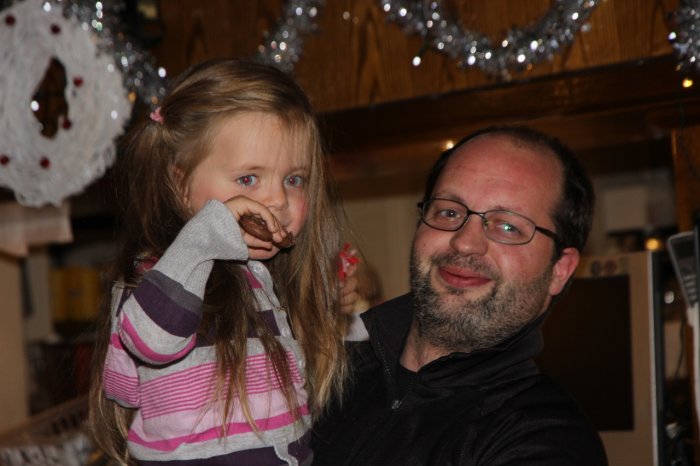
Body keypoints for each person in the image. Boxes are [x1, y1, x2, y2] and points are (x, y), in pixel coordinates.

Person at [88, 58, 356, 465]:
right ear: (180, 184)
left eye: (294, 179)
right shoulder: (159, 277)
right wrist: (203, 238)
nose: (278, 200)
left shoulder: (259, 281)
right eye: (248, 178)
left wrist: (338, 311)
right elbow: (150, 344)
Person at [311, 125, 609, 465]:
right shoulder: (325, 376)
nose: (465, 242)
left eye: (508, 226)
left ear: (560, 269)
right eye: (449, 212)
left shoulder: (545, 440)